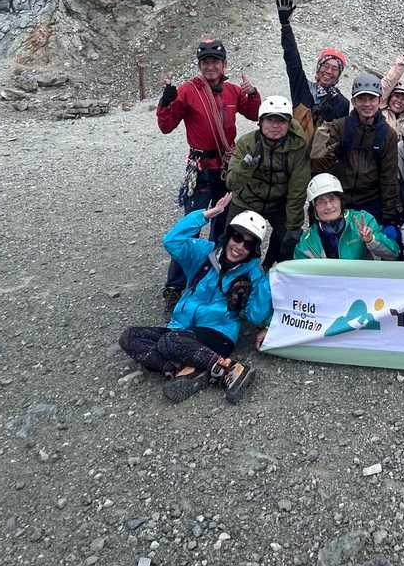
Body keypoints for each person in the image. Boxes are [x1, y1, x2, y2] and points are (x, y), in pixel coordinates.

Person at [119, 194, 270, 405]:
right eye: (237, 237)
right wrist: (205, 215)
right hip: (181, 327)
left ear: (253, 250)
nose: (239, 246)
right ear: (228, 235)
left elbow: (256, 316)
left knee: (170, 342)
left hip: (218, 333)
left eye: (248, 244)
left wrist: (265, 284)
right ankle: (186, 369)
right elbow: (171, 241)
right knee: (130, 337)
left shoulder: (253, 274)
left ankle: (231, 369)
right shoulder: (204, 252)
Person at [157, 38, 261, 307]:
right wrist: (166, 102)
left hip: (226, 170)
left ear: (224, 64)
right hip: (201, 169)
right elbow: (166, 126)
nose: (210, 66)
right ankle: (175, 286)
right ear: (199, 65)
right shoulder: (188, 91)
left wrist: (252, 93)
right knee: (192, 226)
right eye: (205, 62)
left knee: (222, 227)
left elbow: (254, 113)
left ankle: (212, 278)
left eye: (215, 61)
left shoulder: (233, 91)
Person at [224, 95, 312, 268]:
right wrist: (246, 167)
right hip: (246, 201)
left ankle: (276, 270)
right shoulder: (246, 143)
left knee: (292, 243)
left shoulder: (297, 147)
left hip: (278, 204)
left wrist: (293, 226)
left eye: (281, 121)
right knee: (232, 241)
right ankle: (231, 273)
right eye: (270, 120)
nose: (275, 126)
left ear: (289, 123)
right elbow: (231, 183)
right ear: (260, 122)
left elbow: (298, 189)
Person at [311, 73, 402, 233]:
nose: (367, 104)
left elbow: (389, 178)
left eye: (372, 99)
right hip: (339, 198)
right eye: (361, 99)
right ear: (353, 101)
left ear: (380, 101)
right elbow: (317, 164)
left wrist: (389, 217)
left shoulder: (388, 135)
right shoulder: (339, 127)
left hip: (370, 200)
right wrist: (323, 138)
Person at [275, 0, 350, 142]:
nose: (329, 71)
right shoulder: (302, 88)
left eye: (335, 69)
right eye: (325, 66)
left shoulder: (342, 103)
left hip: (321, 155)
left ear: (338, 76)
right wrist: (286, 26)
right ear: (318, 69)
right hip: (294, 151)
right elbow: (293, 61)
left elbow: (340, 137)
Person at [292, 173, 398, 260]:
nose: (328, 206)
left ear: (341, 201)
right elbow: (300, 273)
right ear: (314, 207)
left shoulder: (363, 220)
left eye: (332, 199)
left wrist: (371, 240)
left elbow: (393, 254)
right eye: (321, 201)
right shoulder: (308, 241)